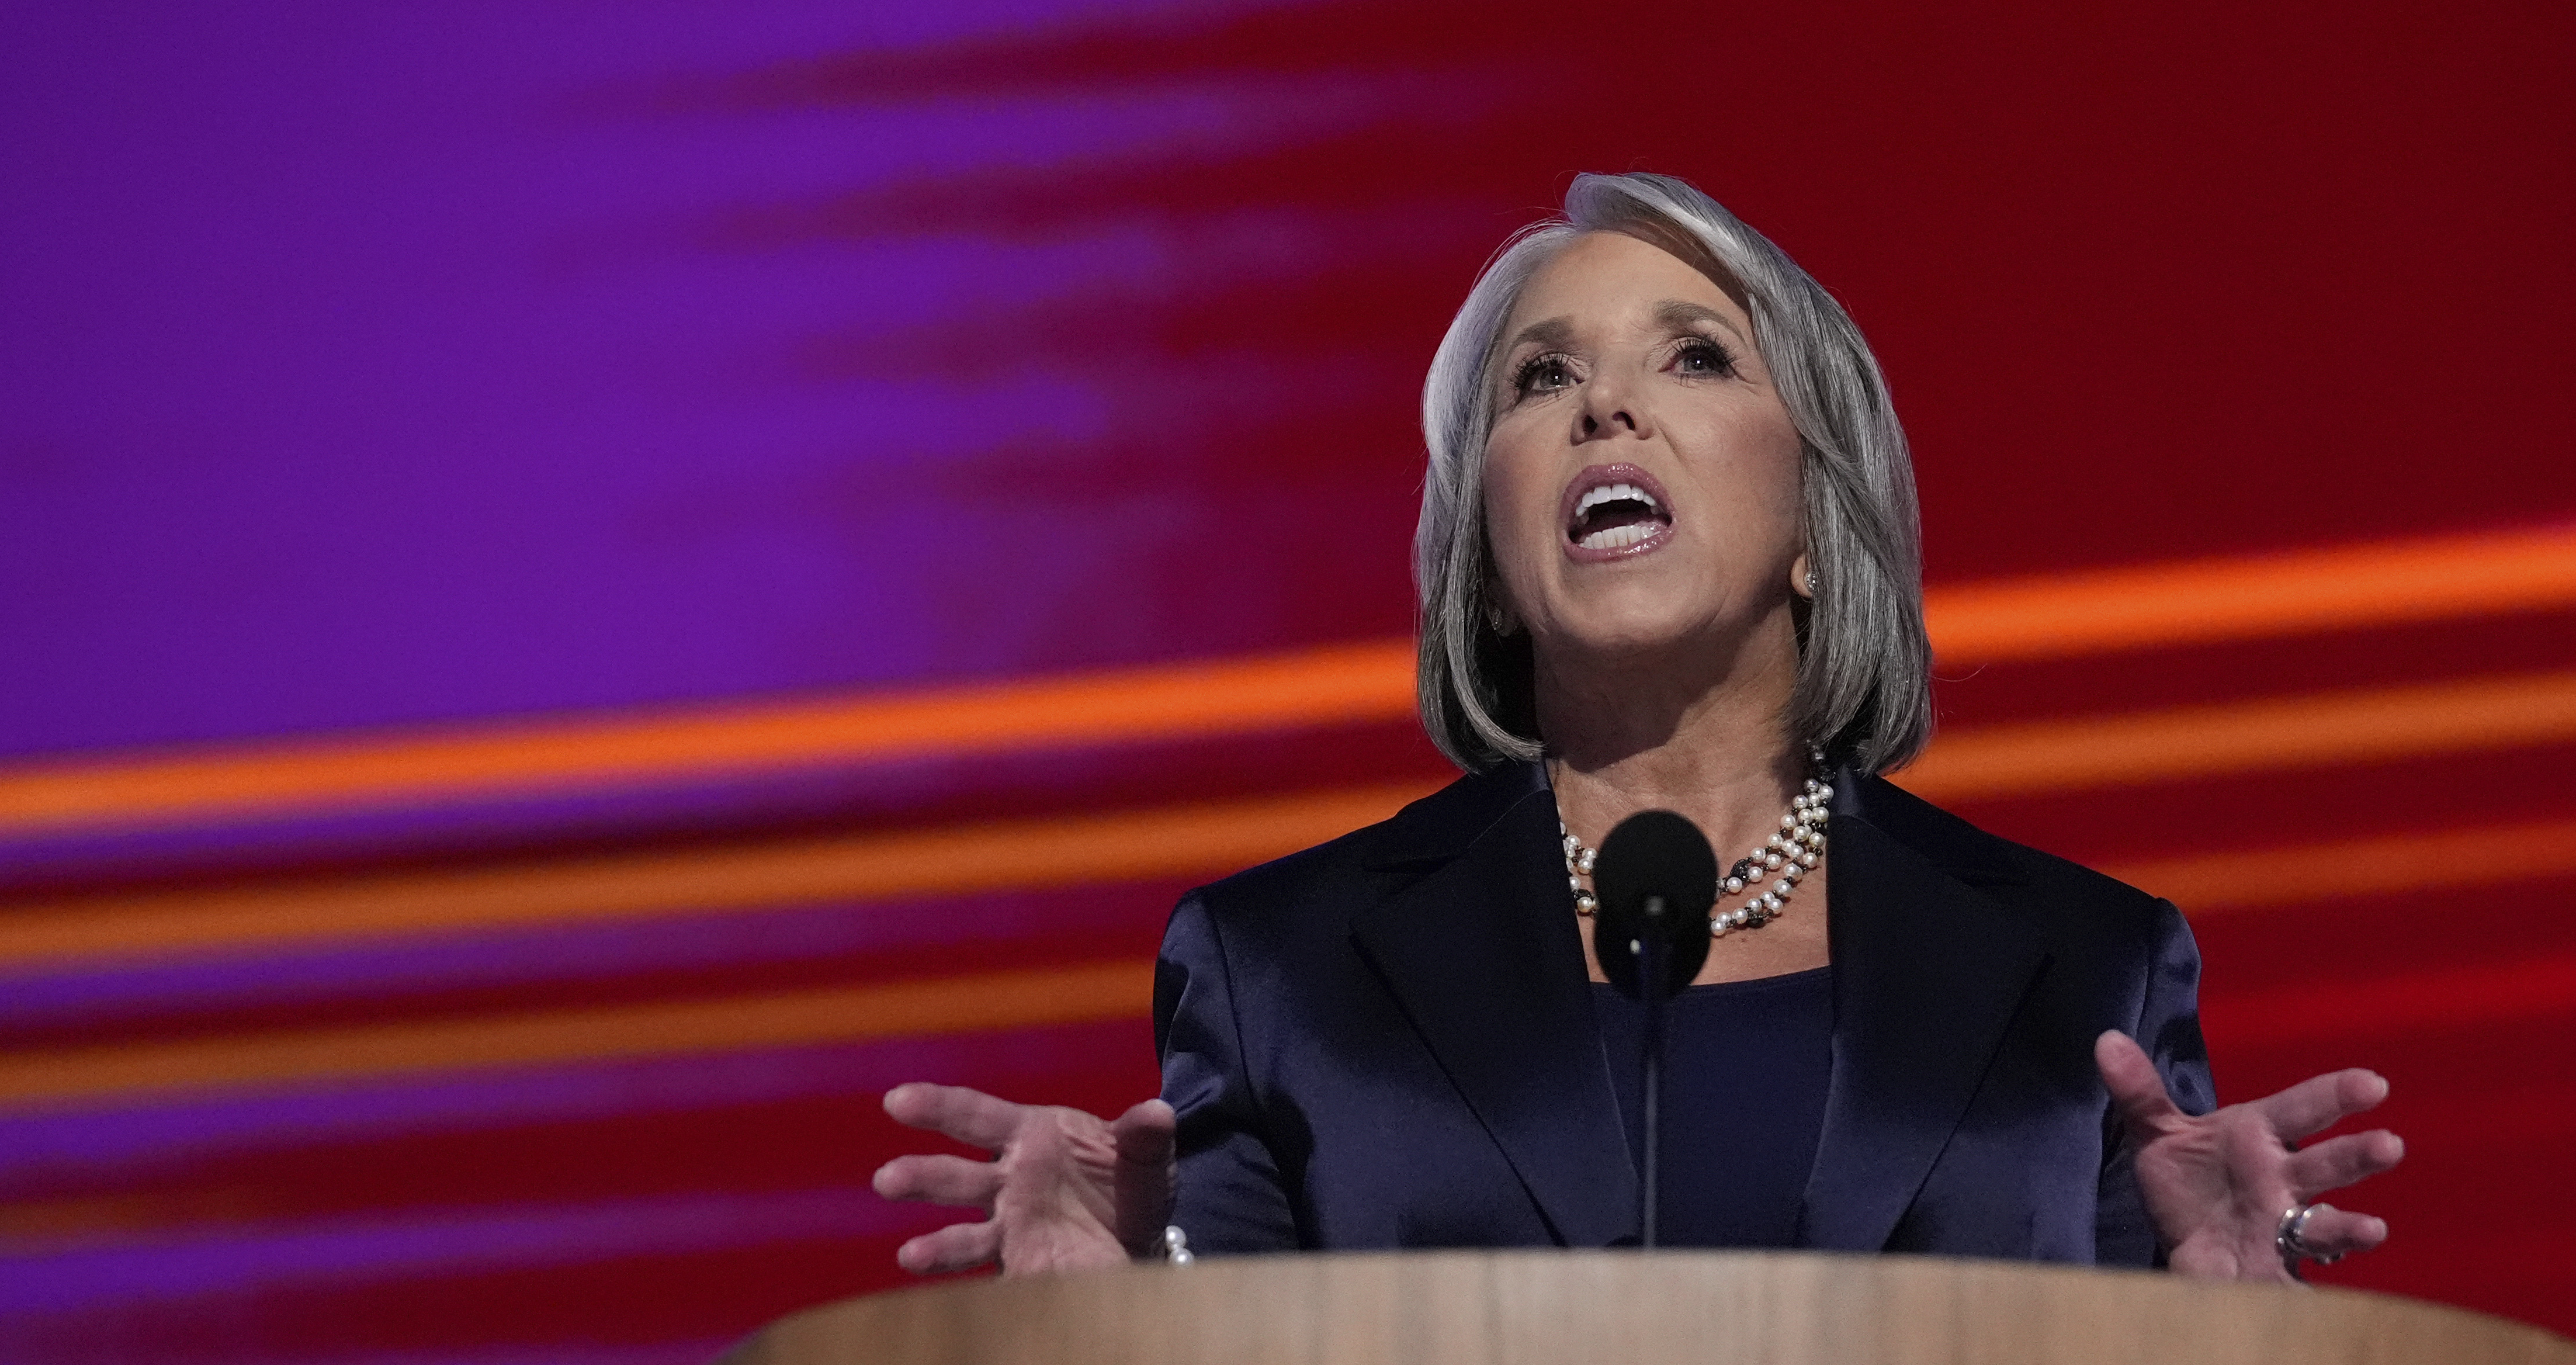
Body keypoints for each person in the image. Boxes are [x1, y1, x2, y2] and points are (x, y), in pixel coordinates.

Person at [875, 174, 2402, 1280]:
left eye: (1693, 356)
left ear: (1817, 523)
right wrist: (1112, 1304)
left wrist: (2222, 1320)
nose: (1607, 410)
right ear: (1488, 563)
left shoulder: (2087, 971)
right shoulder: (1287, 971)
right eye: (1543, 381)